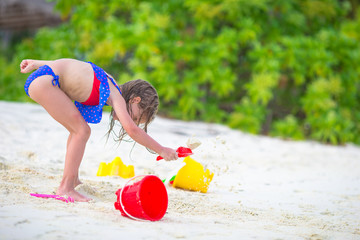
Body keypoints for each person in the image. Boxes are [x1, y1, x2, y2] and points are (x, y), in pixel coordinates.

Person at [20, 58, 178, 202]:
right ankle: (66, 187)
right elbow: (132, 130)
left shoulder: (108, 81)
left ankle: (73, 179)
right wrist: (162, 150)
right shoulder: (115, 94)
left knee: (77, 130)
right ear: (135, 100)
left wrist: (37, 64)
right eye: (136, 118)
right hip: (46, 82)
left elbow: (71, 65)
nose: (132, 122)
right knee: (81, 131)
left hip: (44, 76)